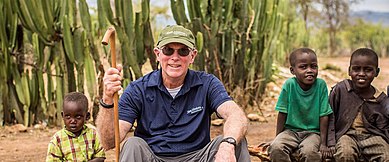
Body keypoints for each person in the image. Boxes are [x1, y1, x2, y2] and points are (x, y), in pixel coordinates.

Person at [96, 25, 250, 162]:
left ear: (192, 56)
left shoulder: (207, 83)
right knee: (133, 144)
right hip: (154, 157)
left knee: (235, 140)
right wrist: (108, 99)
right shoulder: (138, 89)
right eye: (168, 50)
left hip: (197, 156)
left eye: (183, 51)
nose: (175, 57)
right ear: (157, 54)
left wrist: (227, 145)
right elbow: (109, 142)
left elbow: (235, 115)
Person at [265, 48, 334, 161]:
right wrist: (277, 138)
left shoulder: (320, 85)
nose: (310, 70)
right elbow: (282, 113)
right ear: (293, 70)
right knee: (276, 148)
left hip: (313, 133)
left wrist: (323, 143)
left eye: (313, 66)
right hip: (290, 131)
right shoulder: (289, 85)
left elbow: (324, 116)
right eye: (303, 67)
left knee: (310, 152)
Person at [327, 48, 389, 161]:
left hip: (372, 136)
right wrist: (330, 142)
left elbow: (383, 126)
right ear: (349, 71)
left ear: (377, 72)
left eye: (368, 70)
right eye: (356, 69)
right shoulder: (341, 89)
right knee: (345, 153)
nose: (361, 74)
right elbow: (330, 116)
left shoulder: (381, 99)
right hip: (346, 134)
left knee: (386, 155)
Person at [46, 92, 105, 162]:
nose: (73, 121)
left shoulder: (93, 133)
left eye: (78, 117)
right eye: (68, 116)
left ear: (87, 116)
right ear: (63, 116)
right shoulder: (57, 140)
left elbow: (100, 156)